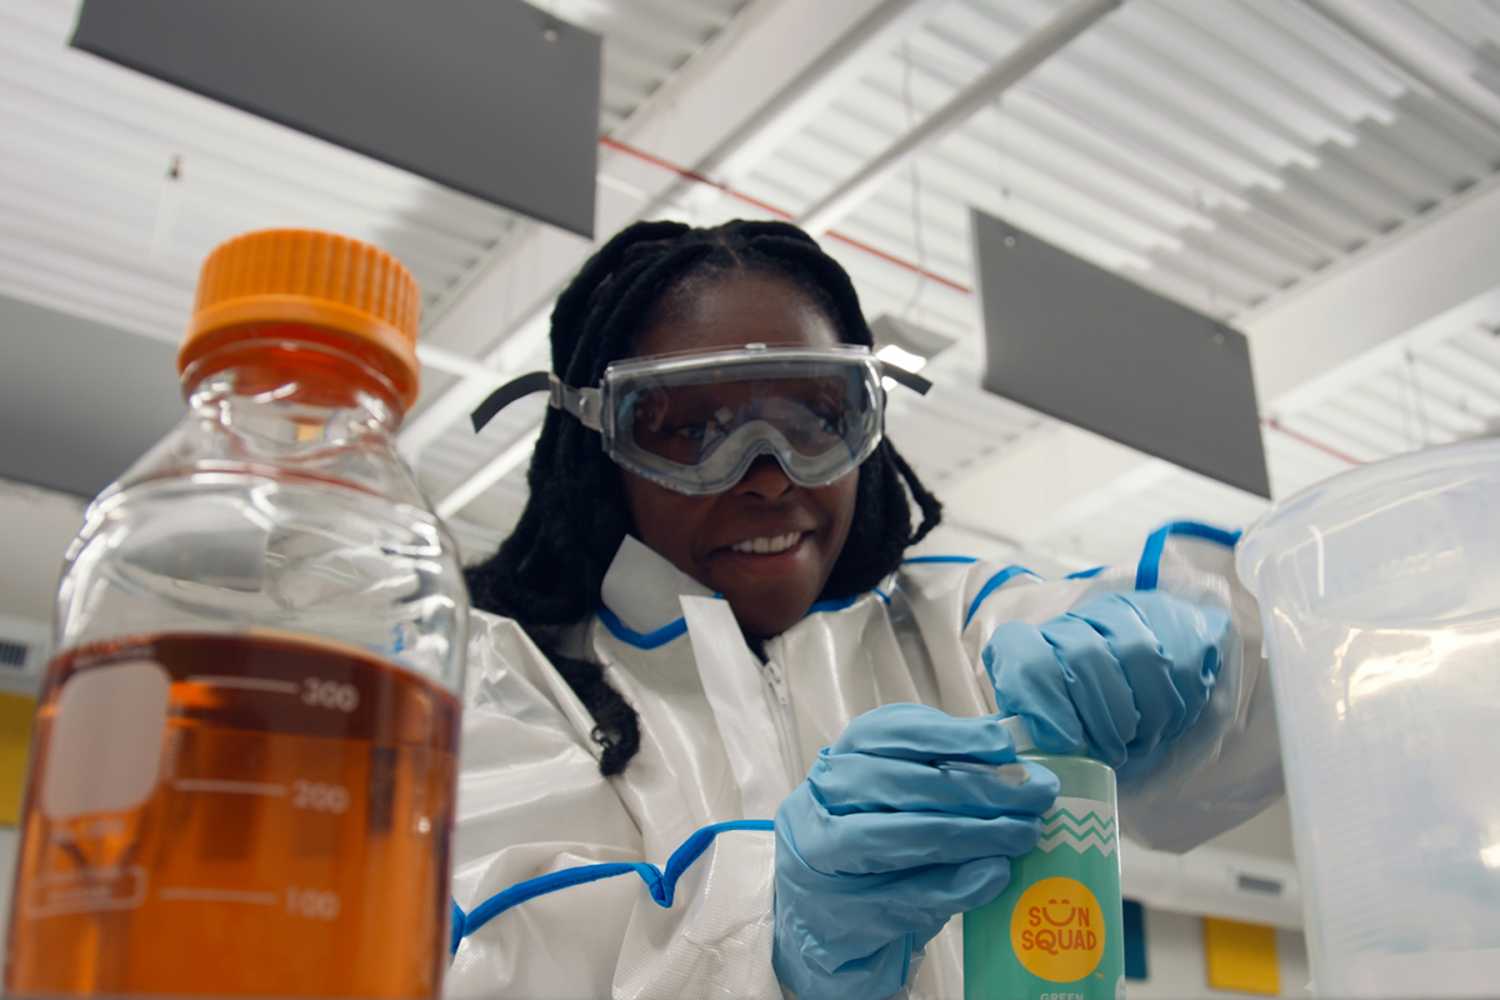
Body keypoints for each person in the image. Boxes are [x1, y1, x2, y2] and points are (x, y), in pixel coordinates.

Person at [448, 220, 1281, 999]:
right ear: (596, 445)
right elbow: (497, 960)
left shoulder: (950, 624)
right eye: (692, 429)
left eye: (816, 418)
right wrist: (770, 943)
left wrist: (1215, 656)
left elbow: (1282, 697)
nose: (768, 474)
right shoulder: (506, 679)